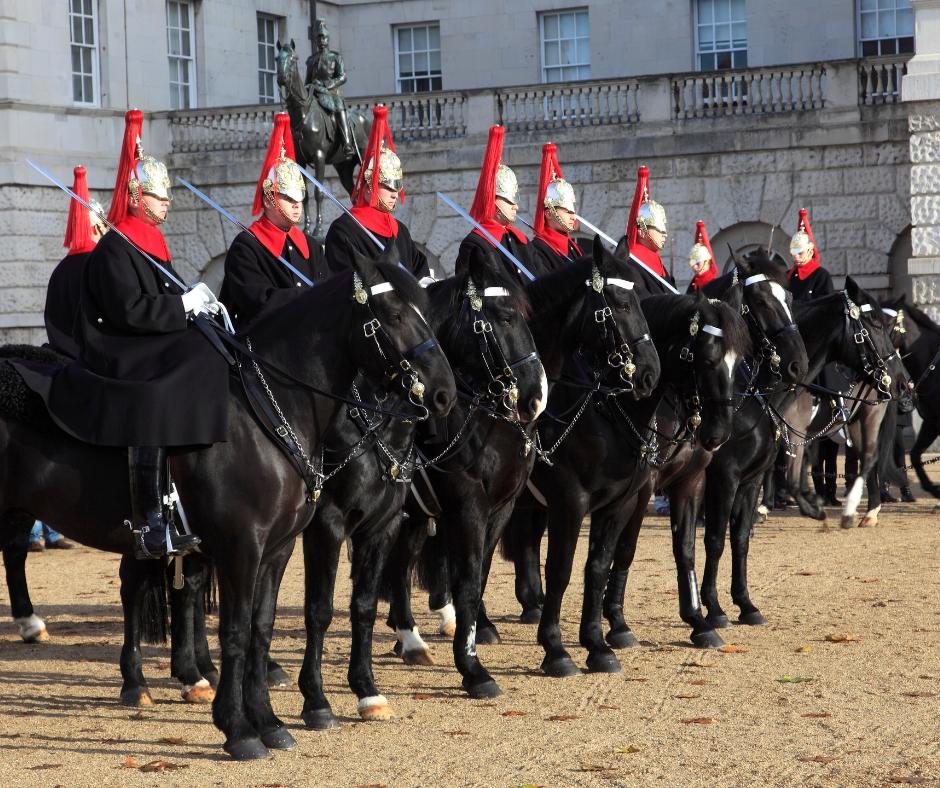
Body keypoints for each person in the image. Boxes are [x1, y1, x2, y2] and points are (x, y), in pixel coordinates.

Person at [17, 109, 229, 560]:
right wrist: (182, 306)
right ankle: (150, 518)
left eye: (167, 195)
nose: (166, 202)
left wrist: (198, 302)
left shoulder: (152, 243)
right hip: (118, 351)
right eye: (158, 195)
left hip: (150, 343)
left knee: (210, 353)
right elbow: (130, 311)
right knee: (153, 398)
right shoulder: (117, 247)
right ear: (136, 196)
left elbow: (165, 297)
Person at [219, 113, 328, 327]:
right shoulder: (247, 247)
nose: (297, 204)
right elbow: (257, 302)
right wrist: (305, 297)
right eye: (287, 197)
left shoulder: (311, 247)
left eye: (299, 197)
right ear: (268, 200)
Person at [324, 105, 429, 279]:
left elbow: (421, 270)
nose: (394, 193)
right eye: (387, 187)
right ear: (366, 190)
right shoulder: (344, 230)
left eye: (396, 187)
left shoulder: (400, 231)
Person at [787, 208, 839, 507]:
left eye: (801, 252)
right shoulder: (788, 279)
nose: (797, 257)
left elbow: (823, 311)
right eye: (794, 253)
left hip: (817, 346)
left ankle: (837, 404)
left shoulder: (821, 277)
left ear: (810, 251)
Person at [44, 165, 108, 360]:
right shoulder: (101, 265)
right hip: (94, 361)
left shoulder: (59, 270)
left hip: (61, 358)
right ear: (97, 228)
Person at [455, 125, 533, 281]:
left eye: (515, 199)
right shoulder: (475, 244)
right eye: (508, 199)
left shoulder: (522, 241)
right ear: (493, 199)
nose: (515, 205)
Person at [528, 142, 584, 276]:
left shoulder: (573, 248)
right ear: (549, 213)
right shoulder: (537, 249)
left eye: (573, 212)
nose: (573, 217)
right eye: (567, 211)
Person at [621, 165, 676, 294]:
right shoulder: (632, 262)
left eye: (664, 230)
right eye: (659, 230)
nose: (665, 234)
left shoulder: (657, 262)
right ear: (642, 231)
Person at [305, 20, 354, 157]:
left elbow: (343, 77)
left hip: (331, 93)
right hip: (315, 93)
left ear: (328, 39)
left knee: (339, 105)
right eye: (319, 38)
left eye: (324, 37)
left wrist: (328, 85)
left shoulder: (335, 57)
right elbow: (307, 81)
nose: (321, 40)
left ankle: (347, 143)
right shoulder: (311, 60)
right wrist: (309, 86)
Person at [686, 220, 719, 292]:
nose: (694, 267)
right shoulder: (694, 282)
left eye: (698, 263)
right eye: (692, 263)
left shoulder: (714, 284)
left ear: (707, 261)